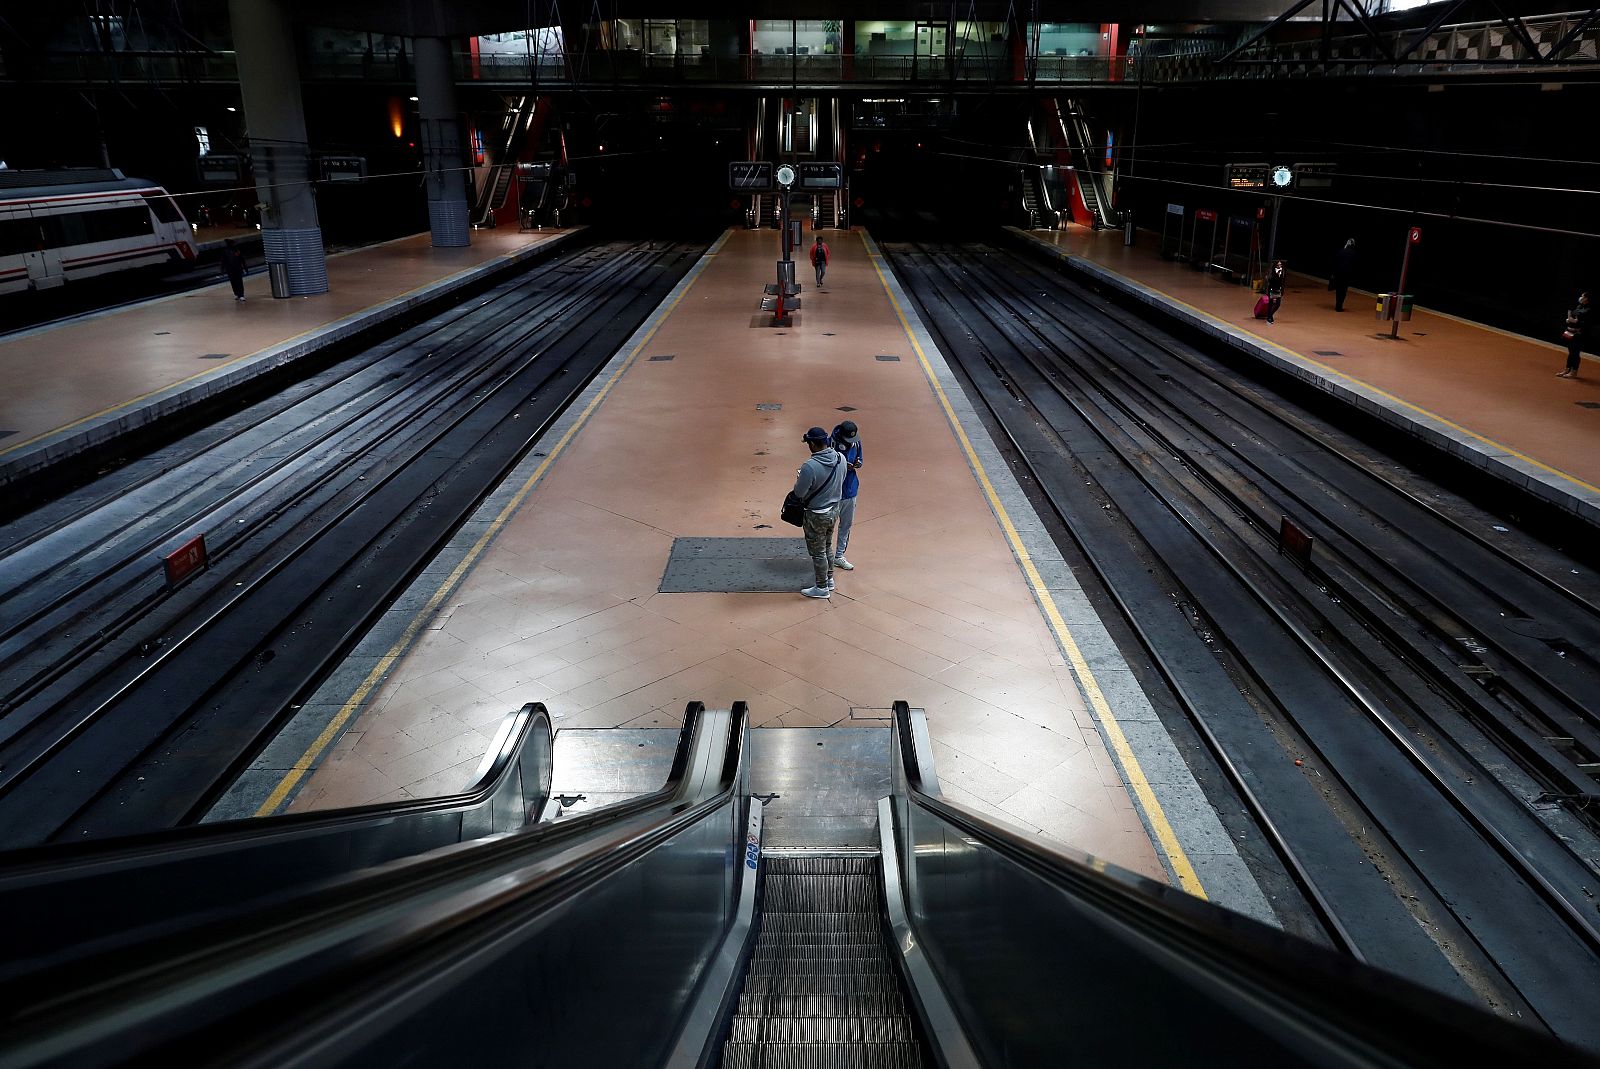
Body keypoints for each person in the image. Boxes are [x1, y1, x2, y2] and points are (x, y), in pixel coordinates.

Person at [793, 426, 847, 598]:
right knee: (827, 546)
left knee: (818, 552)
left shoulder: (810, 466)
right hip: (834, 510)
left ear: (813, 444)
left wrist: (800, 478)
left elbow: (799, 493)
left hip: (816, 514)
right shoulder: (841, 458)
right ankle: (829, 579)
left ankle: (821, 587)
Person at [830, 420, 863, 571]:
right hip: (833, 492)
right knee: (828, 526)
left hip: (850, 490)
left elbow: (860, 459)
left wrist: (856, 463)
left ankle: (839, 556)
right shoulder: (831, 444)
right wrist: (842, 465)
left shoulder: (856, 442)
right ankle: (825, 555)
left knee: (846, 525)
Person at [1558, 292, 1590, 378]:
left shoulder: (1589, 309)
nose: (1581, 298)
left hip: (1580, 334)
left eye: (1583, 296)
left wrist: (1575, 320)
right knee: (1571, 352)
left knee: (1575, 353)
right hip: (1571, 332)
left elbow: (1583, 321)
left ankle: (1574, 372)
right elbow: (1574, 315)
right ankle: (1567, 369)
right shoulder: (1579, 306)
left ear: (1587, 298)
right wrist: (1569, 320)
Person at [1330, 239, 1356, 312]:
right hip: (1347, 274)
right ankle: (1340, 305)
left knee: (1338, 290)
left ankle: (1338, 305)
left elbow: (1335, 262)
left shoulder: (1341, 251)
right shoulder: (1353, 253)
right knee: (1343, 290)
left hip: (1338, 273)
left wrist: (1333, 273)